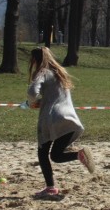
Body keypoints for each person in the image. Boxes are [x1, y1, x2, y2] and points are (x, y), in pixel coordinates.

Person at [26, 47, 95, 200]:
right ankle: (79, 154)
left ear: (35, 60)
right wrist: (42, 100)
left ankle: (50, 188)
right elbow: (55, 95)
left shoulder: (43, 72)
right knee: (56, 156)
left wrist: (33, 102)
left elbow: (32, 92)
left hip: (52, 120)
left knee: (43, 153)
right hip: (70, 120)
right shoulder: (60, 73)